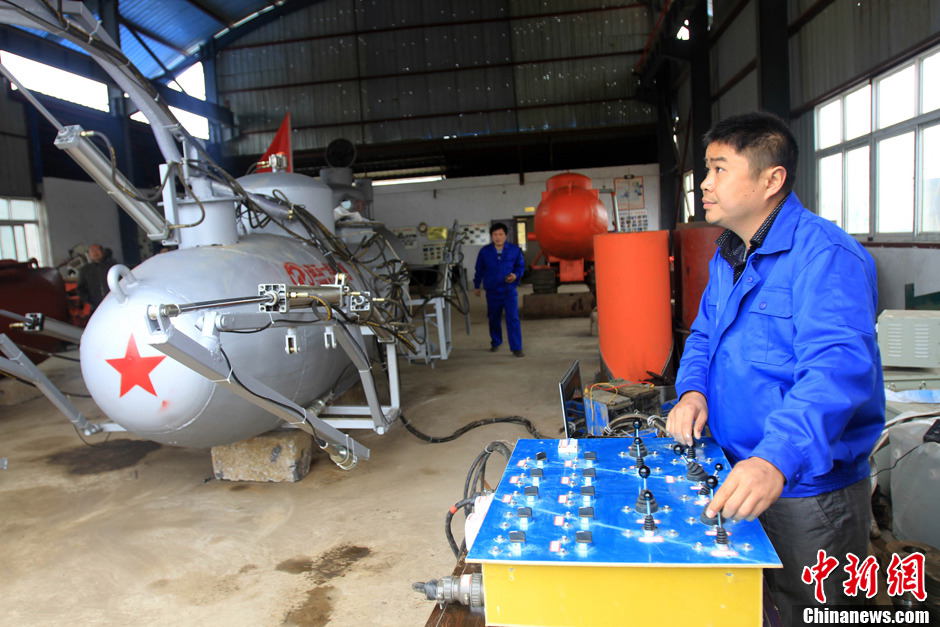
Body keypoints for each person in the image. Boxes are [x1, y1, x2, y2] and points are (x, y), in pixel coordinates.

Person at [666, 112, 884, 624]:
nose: (705, 182)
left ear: (772, 179)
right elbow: (703, 337)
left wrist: (776, 458)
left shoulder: (825, 257)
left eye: (719, 168)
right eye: (706, 168)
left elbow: (835, 374)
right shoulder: (730, 255)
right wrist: (692, 392)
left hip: (807, 492)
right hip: (736, 472)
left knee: (809, 610)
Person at [474, 223, 526, 357]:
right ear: (491, 236)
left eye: (501, 234)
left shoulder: (515, 250)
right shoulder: (485, 252)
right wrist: (476, 285)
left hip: (509, 290)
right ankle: (496, 342)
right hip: (492, 291)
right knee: (493, 318)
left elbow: (520, 267)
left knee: (513, 318)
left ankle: (516, 347)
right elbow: (479, 270)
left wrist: (515, 275)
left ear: (506, 235)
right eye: (495, 235)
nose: (498, 237)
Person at [77, 244, 116, 312]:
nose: (95, 253)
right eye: (92, 251)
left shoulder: (113, 266)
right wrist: (91, 300)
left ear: (102, 252)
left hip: (114, 304)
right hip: (96, 307)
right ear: (89, 254)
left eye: (97, 250)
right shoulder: (85, 270)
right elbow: (81, 289)